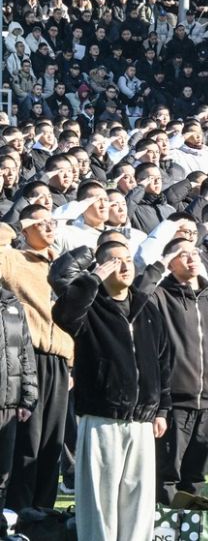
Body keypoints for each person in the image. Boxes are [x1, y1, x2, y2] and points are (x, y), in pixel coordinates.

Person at [51, 239, 169, 541]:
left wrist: (162, 409)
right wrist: (92, 278)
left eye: (128, 259)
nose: (125, 265)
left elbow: (162, 361)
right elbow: (64, 313)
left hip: (143, 420)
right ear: (103, 266)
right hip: (103, 417)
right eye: (116, 260)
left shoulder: (147, 307)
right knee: (99, 504)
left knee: (139, 502)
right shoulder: (90, 307)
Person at [151, 237, 208, 505]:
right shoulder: (159, 297)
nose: (192, 258)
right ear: (170, 263)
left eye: (194, 252)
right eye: (182, 254)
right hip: (175, 402)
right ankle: (164, 529)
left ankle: (190, 529)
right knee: (167, 474)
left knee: (196, 475)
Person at [0, 207, 72, 511]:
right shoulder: (14, 259)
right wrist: (16, 225)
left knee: (52, 443)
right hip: (30, 358)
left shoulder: (63, 265)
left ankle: (43, 510)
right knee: (28, 441)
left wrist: (72, 363)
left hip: (60, 361)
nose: (49, 226)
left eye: (52, 221)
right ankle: (19, 510)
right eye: (40, 221)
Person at [0, 280, 37, 513]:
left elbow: (25, 350)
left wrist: (28, 397)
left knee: (3, 473)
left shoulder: (12, 303)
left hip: (9, 403)